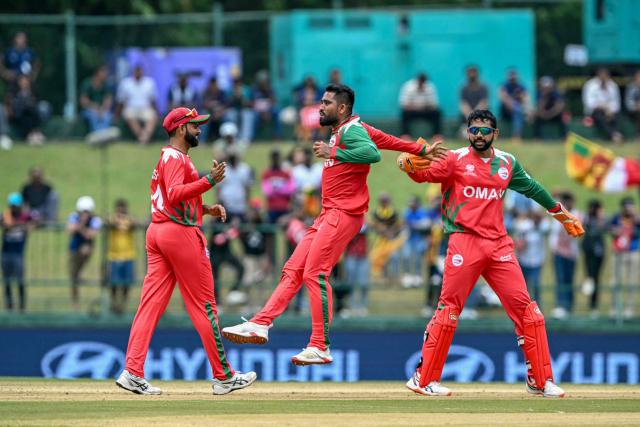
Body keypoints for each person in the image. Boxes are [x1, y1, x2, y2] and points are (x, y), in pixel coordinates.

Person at [222, 83, 445, 365]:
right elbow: (386, 141)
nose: (320, 107)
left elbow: (372, 155)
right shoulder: (351, 128)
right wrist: (420, 149)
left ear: (341, 108)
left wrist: (334, 153)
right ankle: (261, 323)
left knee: (315, 273)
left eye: (326, 103)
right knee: (293, 269)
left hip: (344, 214)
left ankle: (320, 345)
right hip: (328, 214)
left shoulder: (351, 132)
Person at [397, 109, 583, 398]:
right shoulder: (454, 158)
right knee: (449, 311)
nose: (479, 135)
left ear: (495, 133)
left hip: (499, 245)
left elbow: (532, 188)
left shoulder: (507, 162)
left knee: (529, 312)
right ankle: (422, 380)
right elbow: (421, 174)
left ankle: (540, 380)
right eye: (474, 130)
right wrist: (406, 163)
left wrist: (561, 214)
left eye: (485, 130)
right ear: (467, 132)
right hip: (464, 241)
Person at [116, 106, 256, 396]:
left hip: (160, 232)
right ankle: (224, 377)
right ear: (180, 128)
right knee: (204, 306)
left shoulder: (169, 158)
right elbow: (176, 193)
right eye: (194, 126)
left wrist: (205, 209)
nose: (199, 130)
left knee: (150, 305)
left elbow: (171, 199)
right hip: (179, 235)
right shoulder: (174, 157)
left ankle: (132, 371)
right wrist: (210, 181)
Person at [549, 191, 580, 320]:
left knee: (569, 279)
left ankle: (569, 305)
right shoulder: (557, 213)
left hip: (571, 253)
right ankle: (561, 305)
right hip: (558, 252)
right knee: (560, 278)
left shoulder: (577, 214)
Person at [67, 196, 102, 308]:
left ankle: (80, 272)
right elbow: (70, 229)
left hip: (86, 248)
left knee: (85, 251)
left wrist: (80, 227)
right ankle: (75, 302)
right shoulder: (73, 217)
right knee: (73, 276)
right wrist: (82, 225)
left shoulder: (95, 220)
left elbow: (90, 235)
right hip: (73, 249)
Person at [106, 199, 139, 314]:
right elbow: (109, 223)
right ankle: (114, 303)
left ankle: (123, 304)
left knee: (127, 283)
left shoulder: (129, 219)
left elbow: (134, 224)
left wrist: (125, 223)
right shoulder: (113, 219)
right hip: (113, 256)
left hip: (128, 255)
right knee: (113, 282)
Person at [609, 197, 640, 319]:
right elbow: (610, 228)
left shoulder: (636, 218)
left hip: (633, 252)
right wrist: (616, 231)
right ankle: (614, 308)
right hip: (618, 252)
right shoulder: (617, 217)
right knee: (616, 281)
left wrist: (635, 216)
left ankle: (629, 309)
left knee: (632, 281)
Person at [1, 193, 33, 312]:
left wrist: (28, 226)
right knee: (7, 280)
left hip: (18, 253)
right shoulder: (6, 215)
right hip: (6, 252)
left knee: (20, 280)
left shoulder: (25, 216)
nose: (14, 208)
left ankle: (22, 307)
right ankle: (9, 306)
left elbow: (36, 220)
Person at [116, 65, 158, 144]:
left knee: (153, 116)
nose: (138, 73)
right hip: (131, 108)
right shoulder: (126, 83)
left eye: (139, 71)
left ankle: (143, 139)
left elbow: (153, 100)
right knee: (129, 115)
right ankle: (144, 138)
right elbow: (121, 101)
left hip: (145, 108)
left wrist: (156, 111)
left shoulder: (149, 83)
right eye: (136, 71)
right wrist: (117, 114)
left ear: (142, 72)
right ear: (133, 72)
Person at [582, 67, 623, 143]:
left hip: (610, 111)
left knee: (617, 115)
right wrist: (602, 107)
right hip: (595, 111)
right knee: (599, 116)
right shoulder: (590, 85)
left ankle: (616, 134)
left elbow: (616, 102)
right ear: (598, 76)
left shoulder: (613, 85)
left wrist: (610, 111)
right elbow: (589, 103)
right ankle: (614, 135)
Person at [581, 199, 607, 317]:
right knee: (590, 276)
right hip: (588, 252)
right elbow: (583, 228)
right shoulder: (586, 218)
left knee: (596, 277)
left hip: (598, 253)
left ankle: (594, 305)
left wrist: (601, 217)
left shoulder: (601, 219)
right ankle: (591, 304)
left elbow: (605, 228)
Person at [6, 74, 45, 144]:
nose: (24, 82)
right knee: (25, 114)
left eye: (25, 81)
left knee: (31, 112)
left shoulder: (31, 92)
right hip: (18, 115)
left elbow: (33, 104)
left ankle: (35, 133)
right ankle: (30, 135)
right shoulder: (13, 93)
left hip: (29, 114)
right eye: (22, 81)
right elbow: (12, 107)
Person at [399, 72, 442, 137]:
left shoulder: (430, 87)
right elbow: (403, 104)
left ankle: (437, 135)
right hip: (412, 111)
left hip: (426, 111)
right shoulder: (408, 87)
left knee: (437, 113)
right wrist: (416, 108)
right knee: (404, 114)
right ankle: (405, 135)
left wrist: (423, 108)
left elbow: (434, 105)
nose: (421, 84)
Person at [261, 148, 296, 223]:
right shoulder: (267, 173)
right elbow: (267, 192)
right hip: (271, 208)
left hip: (285, 207)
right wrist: (282, 188)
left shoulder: (286, 173)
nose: (275, 158)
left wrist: (275, 189)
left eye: (277, 156)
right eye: (274, 156)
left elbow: (290, 190)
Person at [80, 65, 114, 134]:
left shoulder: (106, 85)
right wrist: (95, 107)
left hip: (102, 110)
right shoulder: (87, 83)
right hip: (89, 110)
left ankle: (103, 135)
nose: (106, 75)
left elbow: (108, 101)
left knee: (107, 116)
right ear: (98, 73)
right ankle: (98, 135)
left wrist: (102, 110)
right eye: (104, 72)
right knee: (94, 116)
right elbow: (83, 101)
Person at [499, 69, 530, 141]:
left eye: (514, 75)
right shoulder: (504, 86)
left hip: (517, 109)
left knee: (518, 110)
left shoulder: (521, 86)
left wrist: (525, 106)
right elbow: (503, 97)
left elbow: (525, 98)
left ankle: (516, 136)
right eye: (511, 75)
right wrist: (511, 104)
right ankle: (517, 136)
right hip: (505, 109)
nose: (512, 77)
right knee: (518, 110)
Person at [459, 65, 489, 135]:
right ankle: (466, 130)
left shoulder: (483, 87)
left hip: (481, 114)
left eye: (473, 72)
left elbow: (484, 102)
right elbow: (463, 103)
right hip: (467, 116)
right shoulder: (464, 89)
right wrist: (469, 115)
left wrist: (475, 114)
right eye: (470, 72)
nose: (472, 74)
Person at [200, 77, 227, 142]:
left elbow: (225, 104)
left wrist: (220, 111)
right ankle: (202, 140)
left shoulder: (221, 92)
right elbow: (203, 104)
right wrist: (212, 108)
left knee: (227, 116)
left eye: (215, 84)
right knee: (204, 115)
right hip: (209, 112)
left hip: (219, 113)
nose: (213, 86)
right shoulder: (205, 92)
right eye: (212, 84)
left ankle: (226, 139)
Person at [624, 69, 640, 141]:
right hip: (633, 111)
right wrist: (636, 106)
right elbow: (628, 103)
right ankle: (638, 136)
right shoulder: (631, 87)